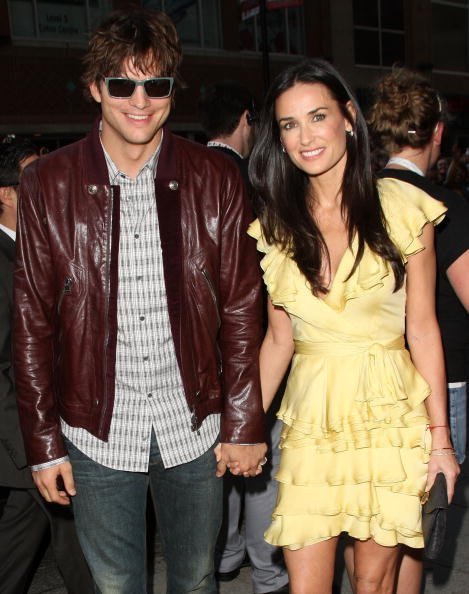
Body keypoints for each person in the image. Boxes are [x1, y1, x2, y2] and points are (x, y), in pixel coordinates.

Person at [13, 8, 267, 594]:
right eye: (122, 83)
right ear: (95, 88)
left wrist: (242, 421)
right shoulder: (47, 183)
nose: (140, 100)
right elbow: (32, 324)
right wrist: (44, 445)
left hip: (196, 426)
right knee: (115, 585)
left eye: (156, 84)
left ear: (172, 91)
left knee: (199, 576)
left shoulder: (216, 177)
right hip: (96, 430)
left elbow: (240, 308)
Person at [247, 58, 460, 594]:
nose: (305, 136)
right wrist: (242, 424)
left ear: (347, 117)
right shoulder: (275, 223)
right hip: (312, 424)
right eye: (289, 125)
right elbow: (277, 341)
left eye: (317, 117)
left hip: (388, 419)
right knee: (307, 586)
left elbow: (424, 330)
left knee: (373, 581)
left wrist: (441, 441)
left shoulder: (405, 206)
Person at [367, 68, 469, 593]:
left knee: (374, 532)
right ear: (437, 133)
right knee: (417, 530)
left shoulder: (355, 199)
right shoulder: (443, 208)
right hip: (439, 385)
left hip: (372, 379)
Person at [199, 80, 289, 594]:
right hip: (250, 340)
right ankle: (265, 564)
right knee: (258, 456)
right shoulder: (250, 179)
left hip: (200, 350)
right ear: (247, 119)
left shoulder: (186, 169)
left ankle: (230, 550)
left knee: (221, 456)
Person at [0, 140, 94, 593]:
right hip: (27, 446)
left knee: (81, 553)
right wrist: (34, 449)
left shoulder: (52, 248)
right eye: (34, 179)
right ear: (7, 192)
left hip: (67, 434)